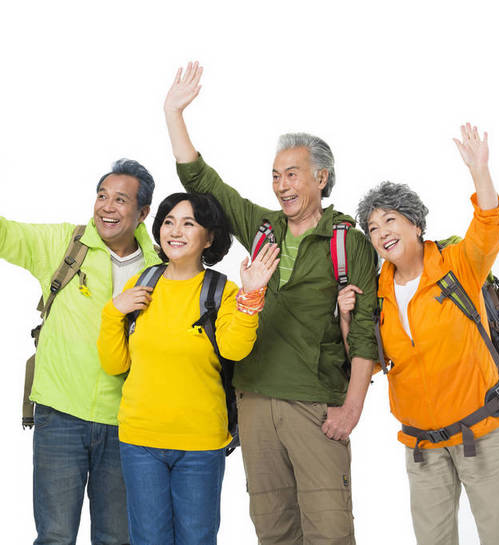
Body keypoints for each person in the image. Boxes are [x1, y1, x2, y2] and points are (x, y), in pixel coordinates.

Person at [163, 62, 379, 544]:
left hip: (314, 403)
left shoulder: (349, 243)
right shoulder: (264, 228)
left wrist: (352, 408)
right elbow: (206, 185)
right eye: (276, 175)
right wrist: (174, 114)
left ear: (321, 177)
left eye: (292, 174)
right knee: (274, 532)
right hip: (255, 401)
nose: (281, 185)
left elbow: (366, 331)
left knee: (329, 532)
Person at [0, 132, 161, 545]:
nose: (107, 206)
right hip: (60, 416)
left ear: (143, 212)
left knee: (117, 539)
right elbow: (0, 236)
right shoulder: (65, 244)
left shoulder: (160, 267)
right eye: (102, 195)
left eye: (120, 200)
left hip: (127, 423)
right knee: (54, 536)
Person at [338, 123, 499, 545]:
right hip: (422, 447)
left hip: (481, 433)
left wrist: (479, 171)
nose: (382, 232)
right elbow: (372, 363)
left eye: (390, 219)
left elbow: (490, 226)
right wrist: (347, 319)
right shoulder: (377, 293)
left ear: (416, 224)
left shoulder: (458, 265)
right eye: (373, 227)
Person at [97, 192, 279, 545]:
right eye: (168, 222)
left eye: (188, 223)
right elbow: (114, 363)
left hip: (200, 443)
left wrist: (251, 297)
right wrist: (113, 311)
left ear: (209, 237)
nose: (175, 231)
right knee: (148, 540)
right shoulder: (142, 283)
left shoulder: (221, 291)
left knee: (197, 539)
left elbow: (235, 348)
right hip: (140, 441)